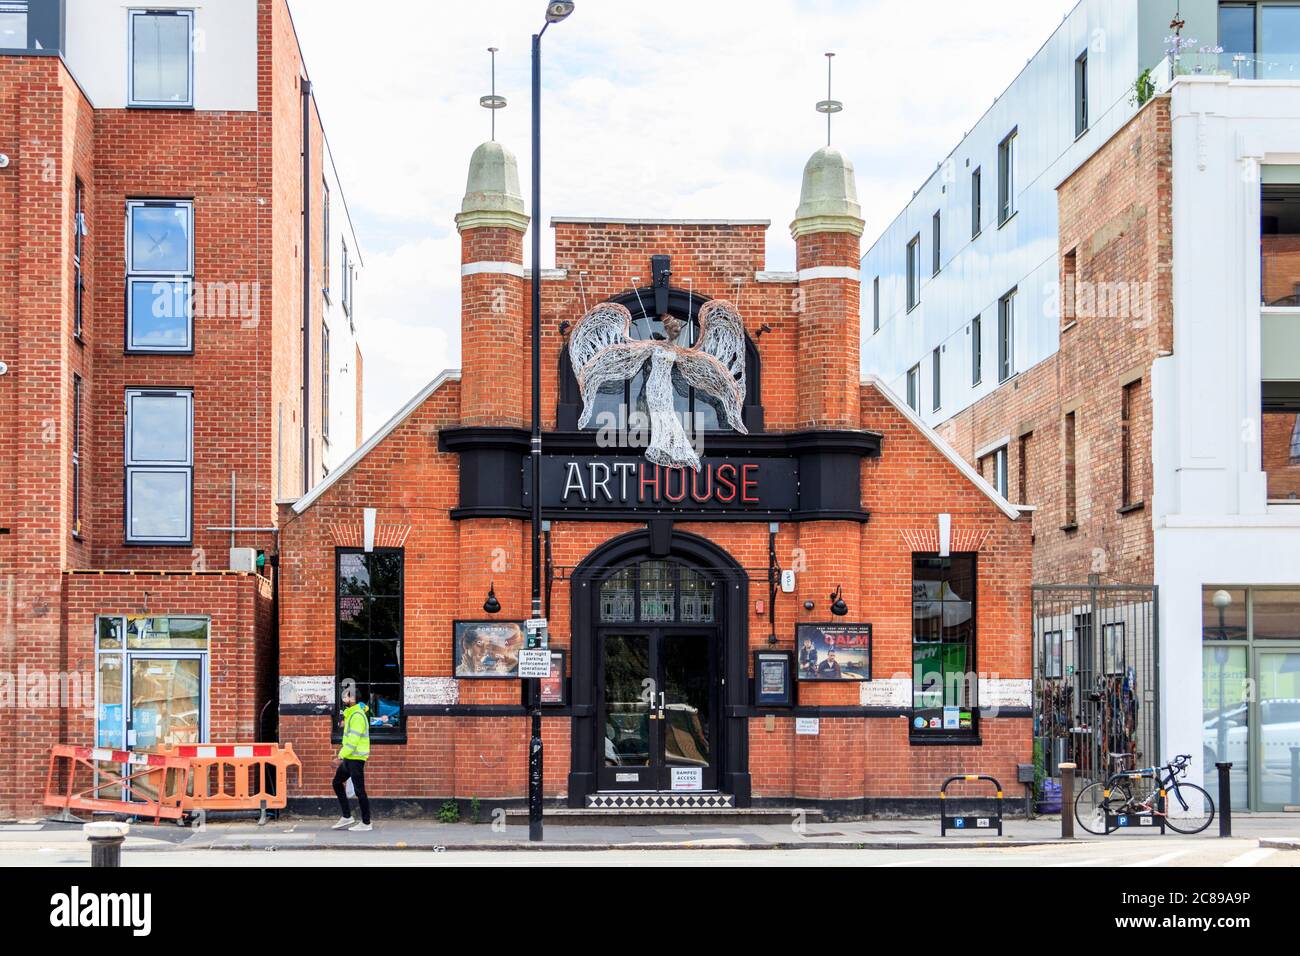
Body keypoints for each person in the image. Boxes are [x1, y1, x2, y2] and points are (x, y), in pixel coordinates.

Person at [332, 686, 372, 831]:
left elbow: (353, 741)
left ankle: (366, 823)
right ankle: (347, 817)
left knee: (359, 790)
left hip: (356, 758)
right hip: (349, 758)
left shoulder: (357, 716)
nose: (344, 699)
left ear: (353, 699)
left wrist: (340, 756)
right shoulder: (351, 714)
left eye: (346, 696)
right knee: (337, 783)